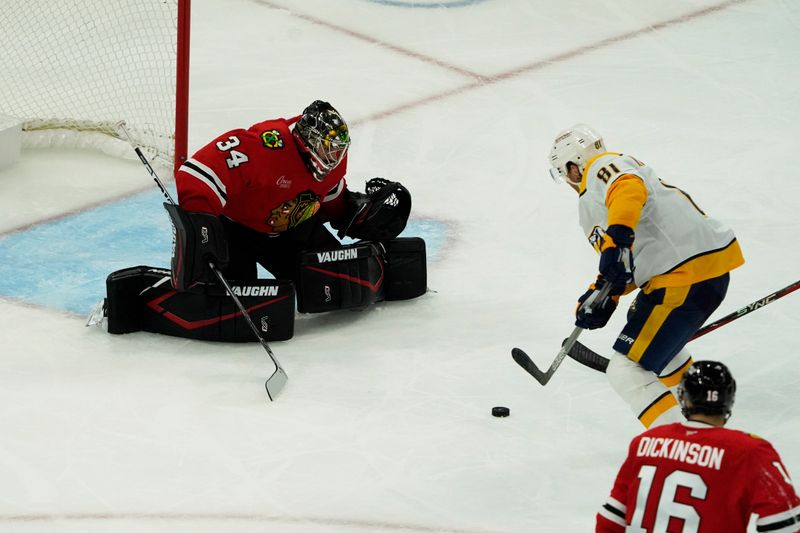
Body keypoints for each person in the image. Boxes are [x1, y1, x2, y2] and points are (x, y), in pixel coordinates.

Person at [97, 101, 426, 342]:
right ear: (305, 141)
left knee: (339, 281)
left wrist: (353, 215)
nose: (335, 159)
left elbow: (330, 197)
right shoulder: (265, 146)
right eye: (328, 150)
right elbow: (195, 175)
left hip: (294, 229)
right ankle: (144, 300)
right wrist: (204, 227)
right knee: (230, 298)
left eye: (339, 151)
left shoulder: (333, 158)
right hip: (235, 231)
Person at [549, 125, 744, 428]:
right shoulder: (596, 201)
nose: (567, 181)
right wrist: (601, 295)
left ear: (574, 167)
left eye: (565, 173)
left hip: (683, 273)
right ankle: (702, 408)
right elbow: (622, 263)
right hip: (692, 271)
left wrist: (620, 237)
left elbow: (627, 190)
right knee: (666, 352)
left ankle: (683, 445)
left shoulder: (602, 168)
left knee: (625, 370)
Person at [596, 360, 800, 532]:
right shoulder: (749, 451)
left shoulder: (645, 442)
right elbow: (786, 525)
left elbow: (610, 519)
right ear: (729, 401)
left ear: (684, 399)